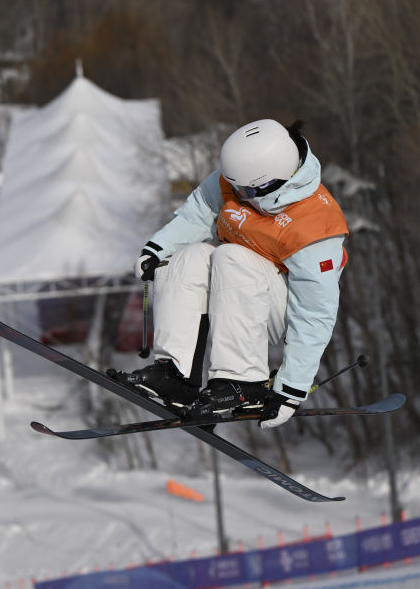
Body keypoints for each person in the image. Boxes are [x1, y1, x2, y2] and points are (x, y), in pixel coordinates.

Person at [122, 119, 348, 429]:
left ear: (274, 181)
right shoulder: (239, 180)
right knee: (191, 256)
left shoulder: (315, 228)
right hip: (236, 294)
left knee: (232, 256)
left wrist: (290, 390)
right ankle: (175, 374)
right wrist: (158, 248)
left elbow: (314, 314)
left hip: (281, 310)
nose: (238, 195)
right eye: (234, 186)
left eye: (246, 189)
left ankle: (242, 383)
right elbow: (200, 212)